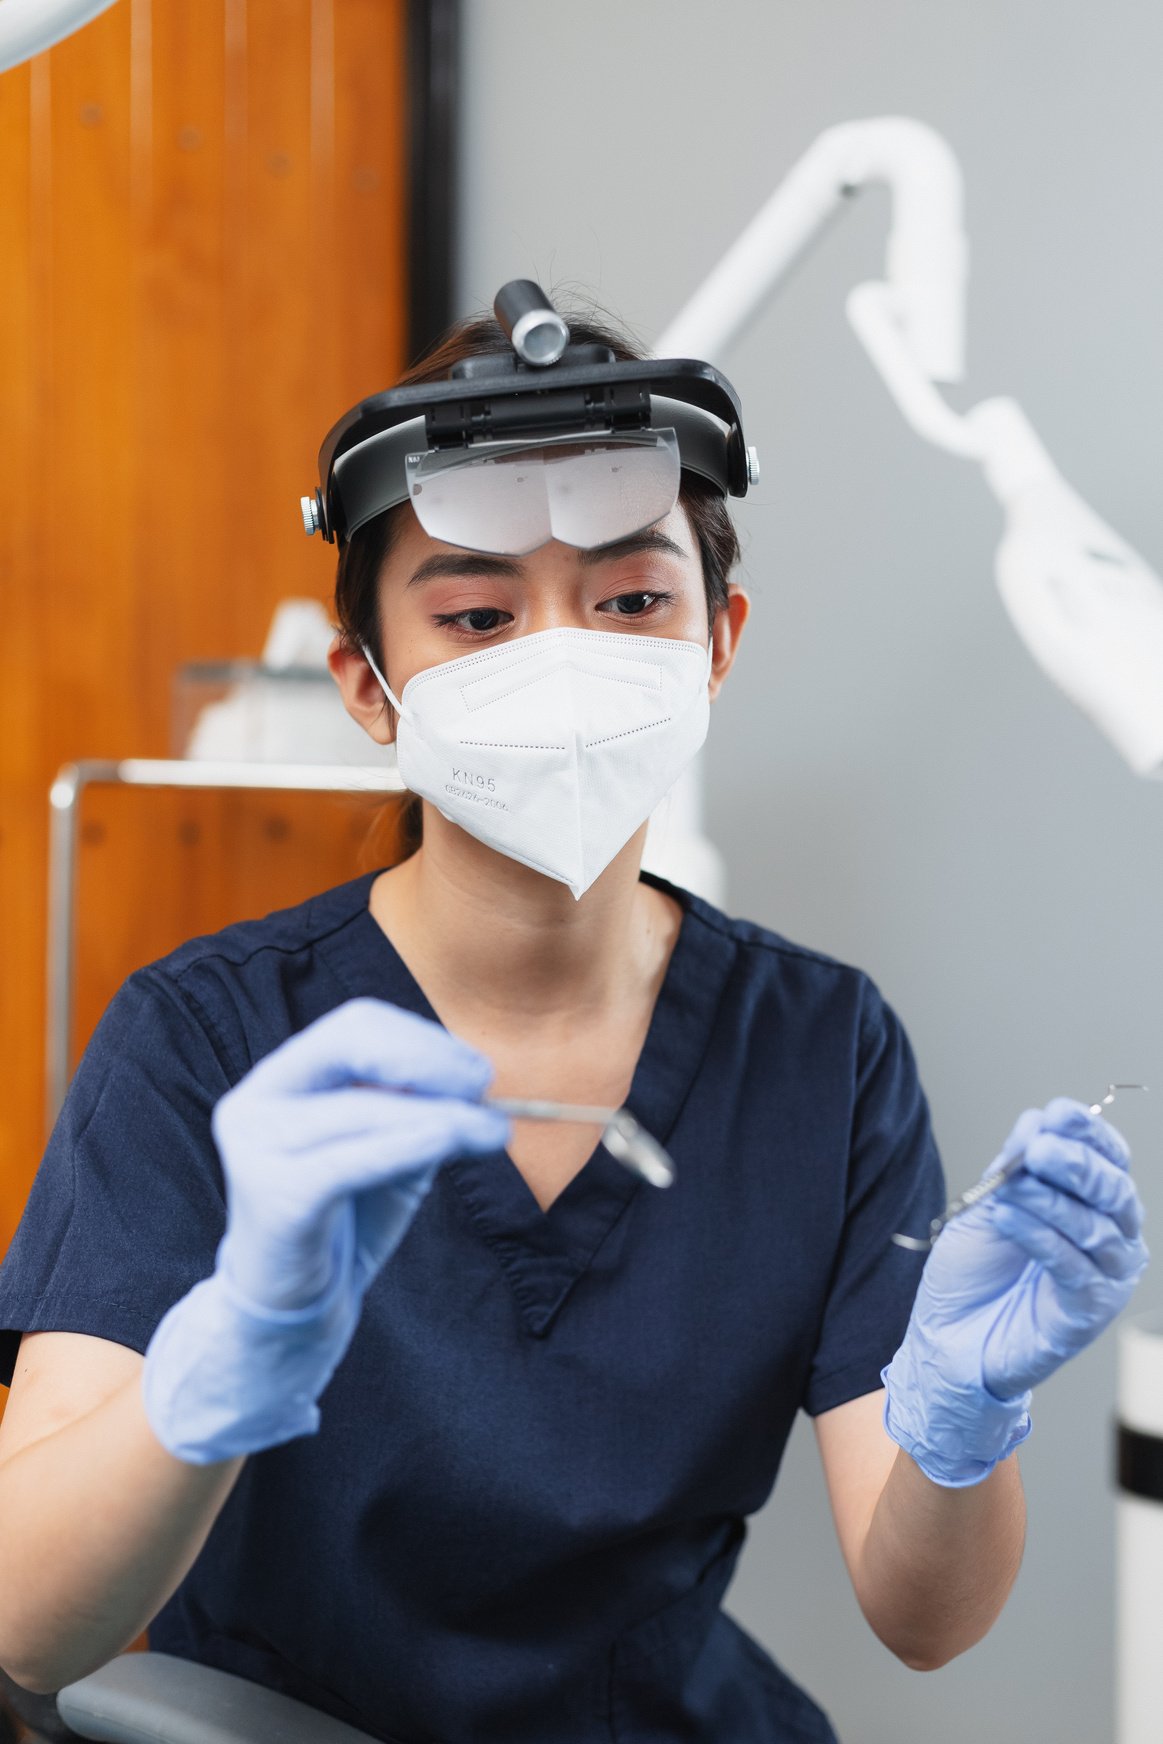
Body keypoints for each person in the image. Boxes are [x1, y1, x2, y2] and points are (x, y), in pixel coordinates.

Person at [0, 285, 1147, 1744]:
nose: (560, 658)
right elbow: (26, 1624)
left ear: (717, 641)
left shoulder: (818, 1049)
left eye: (630, 602)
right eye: (477, 614)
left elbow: (925, 1621)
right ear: (368, 684)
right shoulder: (205, 1041)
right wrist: (224, 1356)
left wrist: (960, 1417)